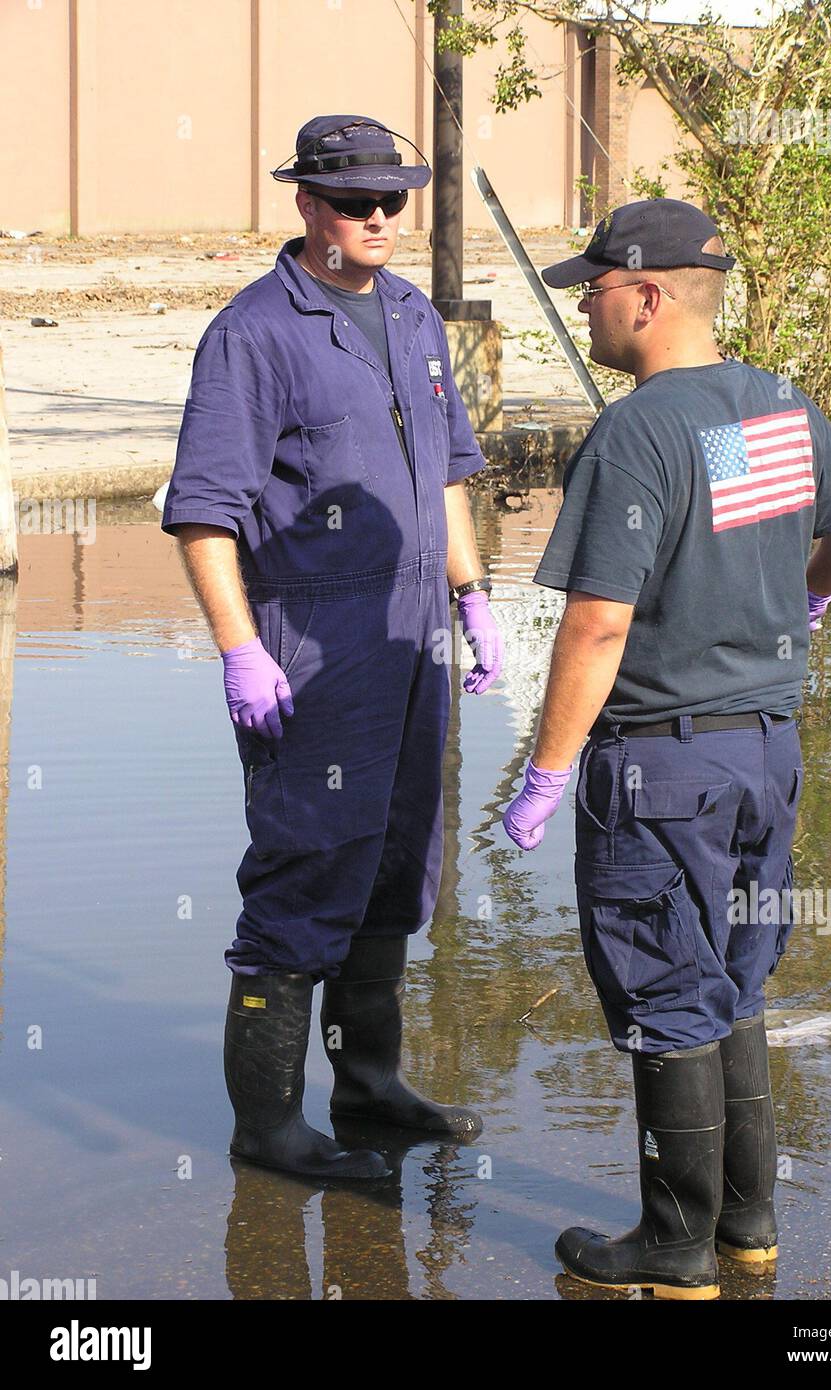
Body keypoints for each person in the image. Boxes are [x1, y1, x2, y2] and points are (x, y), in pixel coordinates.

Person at [502, 198, 831, 1297]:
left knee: (670, 989)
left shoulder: (638, 431)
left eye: (594, 285)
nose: (584, 302)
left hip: (661, 765)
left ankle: (676, 1249)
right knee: (736, 978)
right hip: (766, 755)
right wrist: (804, 601)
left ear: (648, 294)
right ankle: (749, 1228)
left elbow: (597, 624)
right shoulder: (772, 405)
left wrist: (543, 773)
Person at [161, 114, 503, 1182]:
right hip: (309, 648)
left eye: (394, 198)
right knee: (305, 874)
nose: (380, 218)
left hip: (412, 641)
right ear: (305, 203)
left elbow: (447, 469)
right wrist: (236, 648)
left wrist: (473, 590)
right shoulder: (252, 333)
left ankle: (368, 1085)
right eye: (356, 201)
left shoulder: (413, 316)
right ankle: (267, 1127)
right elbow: (203, 511)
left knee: (397, 866)